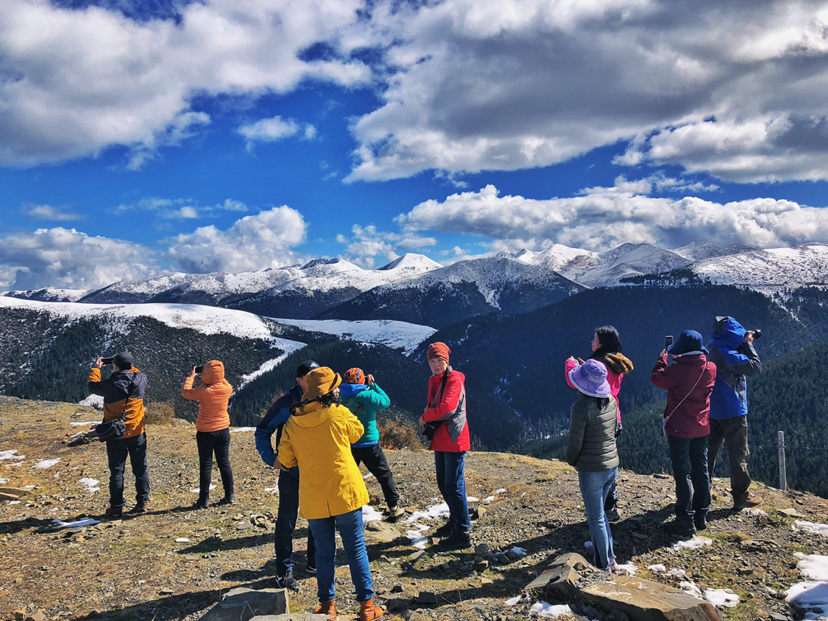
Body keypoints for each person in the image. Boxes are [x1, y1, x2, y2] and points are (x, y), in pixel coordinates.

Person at [277, 367, 384, 621]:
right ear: (328, 392)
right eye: (335, 386)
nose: (338, 389)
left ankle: (327, 607)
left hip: (315, 496)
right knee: (356, 549)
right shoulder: (338, 413)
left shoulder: (293, 422)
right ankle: (367, 607)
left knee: (324, 554)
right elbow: (357, 432)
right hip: (345, 491)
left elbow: (286, 459)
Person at [254, 360, 319, 591]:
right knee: (286, 522)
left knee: (318, 519)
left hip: (316, 471)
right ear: (299, 380)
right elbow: (263, 429)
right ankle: (283, 571)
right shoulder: (287, 403)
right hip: (291, 472)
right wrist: (271, 459)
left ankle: (314, 563)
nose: (314, 380)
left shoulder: (324, 398)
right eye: (309, 377)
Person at [651, 330, 717, 535]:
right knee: (701, 469)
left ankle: (685, 518)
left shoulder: (677, 370)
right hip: (702, 426)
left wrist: (662, 360)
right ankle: (701, 514)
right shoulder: (711, 367)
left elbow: (657, 379)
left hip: (680, 428)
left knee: (682, 471)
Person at [565, 326, 633, 521]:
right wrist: (587, 368)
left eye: (595, 339)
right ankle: (609, 506)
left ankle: (601, 510)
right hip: (613, 415)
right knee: (607, 460)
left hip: (596, 415)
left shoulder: (598, 362)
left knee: (597, 463)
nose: (592, 342)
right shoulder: (617, 361)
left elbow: (572, 381)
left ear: (602, 343)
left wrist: (570, 364)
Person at [566, 359, 618, 571]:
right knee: (601, 515)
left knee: (595, 518)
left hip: (592, 469)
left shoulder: (580, 408)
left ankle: (603, 565)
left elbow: (575, 442)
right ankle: (609, 557)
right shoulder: (611, 401)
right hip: (611, 465)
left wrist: (572, 460)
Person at [419, 342, 472, 549]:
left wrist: (425, 416)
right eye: (432, 361)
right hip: (441, 438)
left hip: (454, 438)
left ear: (447, 361)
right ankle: (455, 520)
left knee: (453, 485)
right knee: (444, 483)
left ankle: (463, 532)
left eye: (439, 360)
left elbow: (447, 408)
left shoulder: (454, 380)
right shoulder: (434, 380)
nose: (436, 364)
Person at [706, 316, 763, 509]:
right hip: (733, 409)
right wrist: (748, 345)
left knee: (708, 452)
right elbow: (755, 367)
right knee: (738, 454)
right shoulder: (729, 355)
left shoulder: (709, 349)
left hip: (710, 409)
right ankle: (741, 496)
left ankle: (701, 492)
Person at [87, 352, 150, 518]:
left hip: (116, 435)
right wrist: (126, 366)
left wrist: (96, 369)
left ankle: (116, 507)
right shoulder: (140, 380)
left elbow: (92, 386)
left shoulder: (110, 384)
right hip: (137, 432)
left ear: (115, 366)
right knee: (140, 469)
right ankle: (142, 502)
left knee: (117, 472)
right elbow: (136, 372)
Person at [340, 367, 404, 520]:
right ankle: (394, 508)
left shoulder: (340, 396)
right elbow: (385, 402)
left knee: (347, 477)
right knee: (384, 475)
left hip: (349, 443)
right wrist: (373, 385)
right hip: (369, 443)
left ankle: (345, 511)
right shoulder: (368, 395)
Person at [181, 360, 235, 509]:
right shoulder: (227, 388)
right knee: (224, 462)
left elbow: (186, 392)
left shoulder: (204, 391)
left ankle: (203, 499)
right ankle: (229, 495)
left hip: (206, 431)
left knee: (206, 465)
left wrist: (191, 376)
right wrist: (216, 377)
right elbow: (222, 380)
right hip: (223, 429)